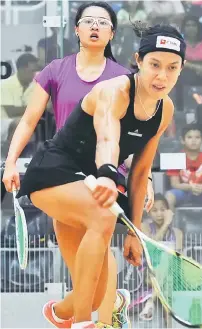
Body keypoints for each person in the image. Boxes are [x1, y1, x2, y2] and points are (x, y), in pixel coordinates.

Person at [3, 21, 186, 328]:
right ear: (138, 61)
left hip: (91, 188)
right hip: (54, 172)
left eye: (172, 67)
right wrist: (107, 174)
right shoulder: (115, 91)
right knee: (103, 214)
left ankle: (61, 314)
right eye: (155, 65)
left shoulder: (164, 109)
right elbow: (107, 138)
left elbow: (141, 172)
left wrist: (135, 233)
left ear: (181, 69)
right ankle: (83, 323)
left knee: (100, 289)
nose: (162, 76)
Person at [2, 2, 136, 328]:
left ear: (111, 33)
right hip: (63, 173)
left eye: (102, 22)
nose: (94, 26)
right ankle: (78, 310)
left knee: (100, 241)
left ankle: (96, 320)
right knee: (84, 276)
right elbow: (29, 120)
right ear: (75, 29)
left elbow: (131, 134)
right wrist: (10, 163)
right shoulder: (54, 70)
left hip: (105, 174)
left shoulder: (123, 78)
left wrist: (133, 182)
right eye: (87, 21)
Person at [139, 193, 183, 321]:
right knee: (165, 278)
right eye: (155, 210)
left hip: (172, 273)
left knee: (167, 266)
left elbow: (179, 258)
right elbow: (152, 249)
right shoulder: (144, 227)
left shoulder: (178, 233)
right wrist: (165, 225)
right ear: (149, 213)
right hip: (148, 272)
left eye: (163, 210)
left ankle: (150, 302)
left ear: (169, 211)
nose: (159, 214)